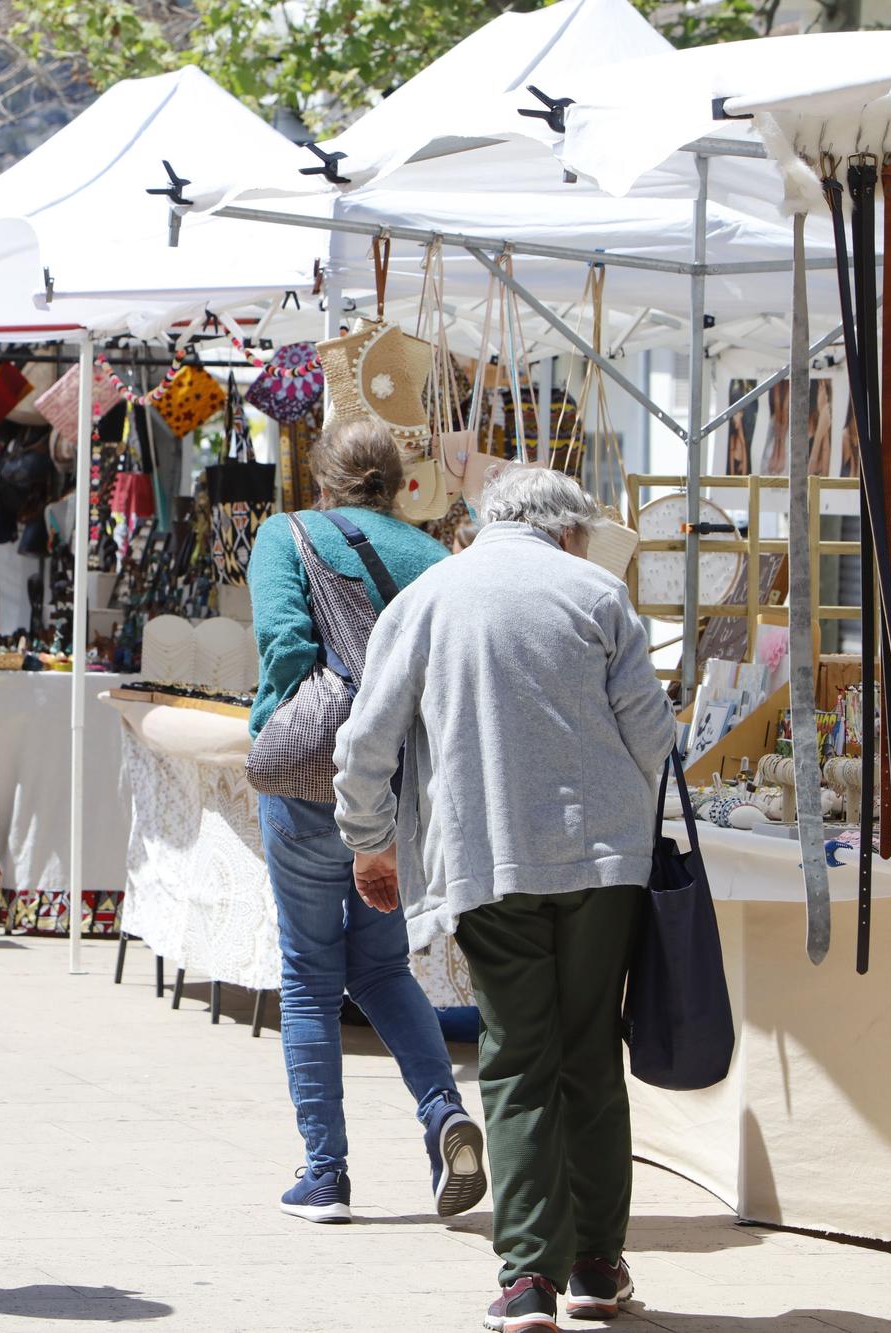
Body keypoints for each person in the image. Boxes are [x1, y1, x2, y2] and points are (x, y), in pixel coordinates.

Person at [332, 465, 676, 1333]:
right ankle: (597, 1263)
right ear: (568, 529)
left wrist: (369, 837)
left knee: (517, 1056)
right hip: (602, 862)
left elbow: (366, 737)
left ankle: (528, 1278)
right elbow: (651, 734)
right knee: (589, 1050)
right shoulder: (597, 593)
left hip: (489, 857)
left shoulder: (430, 597)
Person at [247, 418, 485, 1225]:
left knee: (309, 973)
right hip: (398, 791)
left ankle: (326, 1174)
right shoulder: (434, 556)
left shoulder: (288, 534)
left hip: (313, 779)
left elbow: (284, 647)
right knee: (382, 968)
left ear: (322, 478)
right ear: (401, 482)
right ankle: (443, 1112)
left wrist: (275, 731)